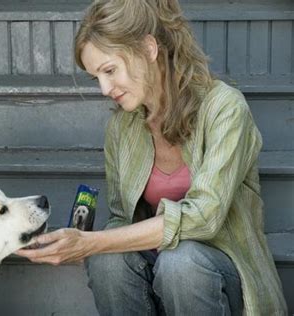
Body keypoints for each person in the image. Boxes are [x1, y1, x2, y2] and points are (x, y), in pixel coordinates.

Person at [15, 0, 288, 314]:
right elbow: (122, 218)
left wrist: (91, 243)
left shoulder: (224, 108)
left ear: (148, 48)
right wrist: (81, 242)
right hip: (156, 272)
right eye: (96, 78)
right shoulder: (122, 127)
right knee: (107, 261)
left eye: (109, 70)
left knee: (180, 263)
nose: (104, 89)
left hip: (221, 276)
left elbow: (205, 217)